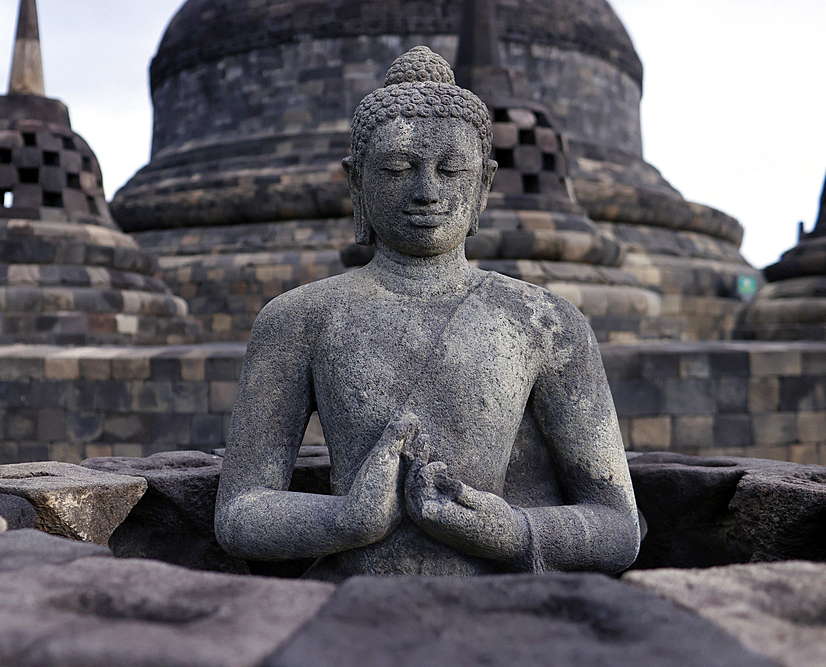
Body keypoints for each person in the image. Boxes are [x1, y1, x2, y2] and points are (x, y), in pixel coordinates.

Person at [214, 47, 639, 581]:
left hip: (506, 613)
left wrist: (515, 533)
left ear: (483, 185)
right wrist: (346, 520)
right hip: (345, 607)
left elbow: (618, 527)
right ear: (357, 183)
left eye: (451, 169)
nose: (426, 192)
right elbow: (238, 514)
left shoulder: (545, 323)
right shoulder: (299, 319)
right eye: (396, 168)